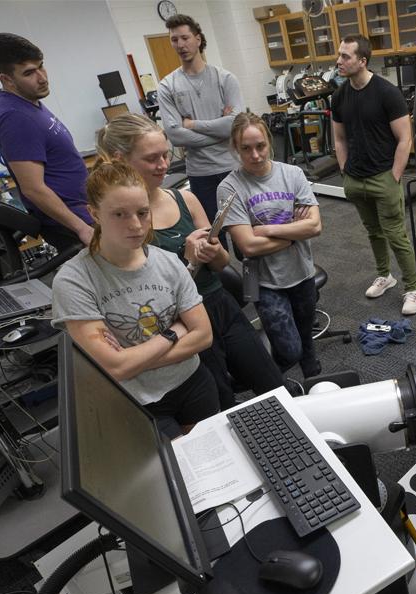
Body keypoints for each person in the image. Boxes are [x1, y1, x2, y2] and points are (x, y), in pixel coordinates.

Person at [95, 113, 284, 410]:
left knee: (272, 384)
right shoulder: (126, 224)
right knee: (221, 403)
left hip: (218, 304)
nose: (163, 165)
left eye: (165, 155)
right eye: (152, 158)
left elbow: (222, 264)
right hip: (181, 322)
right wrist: (185, 262)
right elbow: (143, 295)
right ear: (121, 160)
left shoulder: (185, 199)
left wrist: (211, 252)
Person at [51, 160, 219, 437]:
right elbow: (115, 367)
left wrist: (133, 360)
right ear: (94, 214)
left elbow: (203, 336)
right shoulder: (74, 280)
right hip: (139, 401)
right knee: (175, 474)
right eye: (119, 214)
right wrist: (173, 333)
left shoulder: (167, 262)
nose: (136, 226)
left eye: (143, 213)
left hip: (193, 383)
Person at [221, 112, 322, 380]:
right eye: (246, 148)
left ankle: (312, 378)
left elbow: (314, 227)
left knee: (306, 342)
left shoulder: (293, 174)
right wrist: (293, 232)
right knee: (289, 350)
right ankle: (268, 380)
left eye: (260, 146)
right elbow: (248, 247)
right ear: (235, 148)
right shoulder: (228, 187)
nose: (255, 155)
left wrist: (265, 230)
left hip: (300, 268)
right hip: (256, 277)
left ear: (269, 141)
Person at [330, 35, 416, 316]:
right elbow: (340, 139)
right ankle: (385, 275)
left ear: (362, 61)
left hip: (384, 176)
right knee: (373, 233)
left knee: (396, 235)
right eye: (339, 55)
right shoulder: (339, 96)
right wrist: (345, 172)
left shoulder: (387, 92)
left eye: (346, 56)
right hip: (355, 178)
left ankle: (412, 287)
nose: (339, 61)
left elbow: (405, 138)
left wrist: (394, 175)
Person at [0, 33, 91, 250]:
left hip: (86, 210)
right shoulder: (14, 116)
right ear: (7, 79)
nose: (42, 77)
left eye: (41, 67)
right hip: (74, 223)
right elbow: (33, 189)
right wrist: (81, 228)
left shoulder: (29, 102)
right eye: (29, 73)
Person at [157, 14, 241, 223]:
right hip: (200, 173)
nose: (180, 45)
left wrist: (192, 125)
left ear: (198, 39)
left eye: (185, 38)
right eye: (174, 40)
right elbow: (175, 135)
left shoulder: (225, 78)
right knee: (213, 234)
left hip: (233, 166)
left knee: (244, 227)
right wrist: (219, 132)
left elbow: (235, 125)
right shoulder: (167, 86)